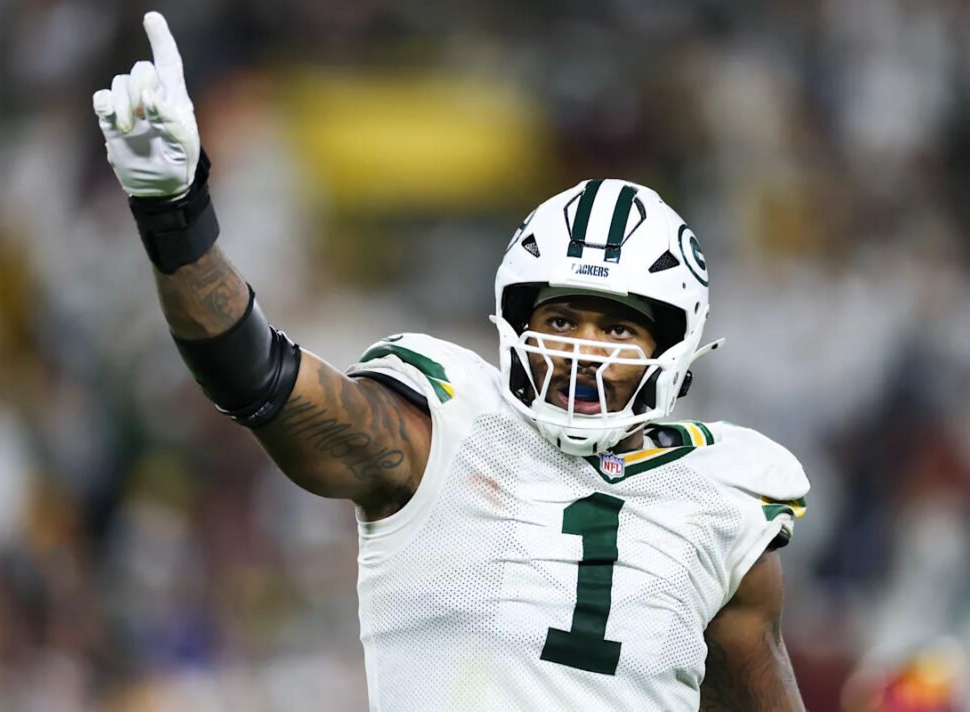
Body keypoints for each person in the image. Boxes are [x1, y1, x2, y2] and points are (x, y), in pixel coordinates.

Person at [94, 12, 809, 710]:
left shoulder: (721, 499)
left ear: (673, 346)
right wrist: (175, 214)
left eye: (617, 329)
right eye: (561, 320)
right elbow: (256, 379)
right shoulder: (441, 430)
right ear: (517, 321)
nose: (582, 351)